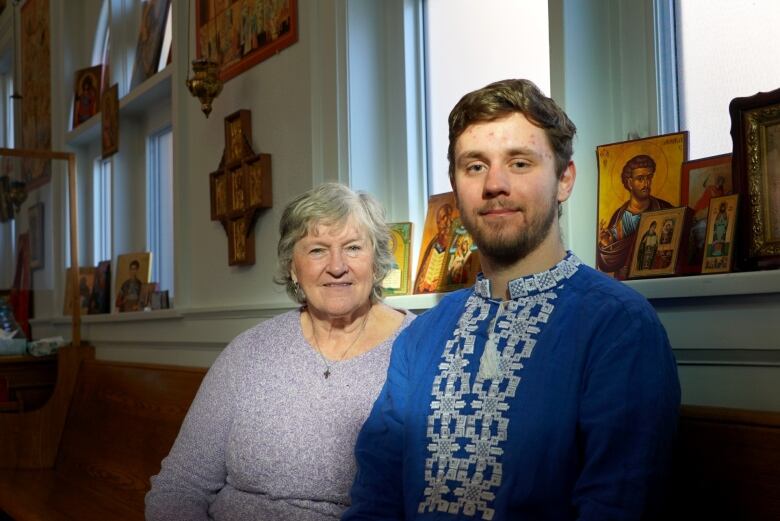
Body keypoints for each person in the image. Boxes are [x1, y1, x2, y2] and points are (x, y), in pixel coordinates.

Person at [344, 79, 680, 520]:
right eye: (474, 166)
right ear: (456, 186)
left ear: (564, 179)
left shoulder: (620, 328)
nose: (494, 185)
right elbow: (376, 497)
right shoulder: (420, 336)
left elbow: (618, 505)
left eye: (519, 163)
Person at [145, 183, 415, 520]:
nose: (336, 265)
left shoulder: (418, 349)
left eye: (353, 247)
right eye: (317, 250)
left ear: (376, 262)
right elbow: (182, 484)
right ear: (292, 267)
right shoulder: (249, 351)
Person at [597, 154, 674, 279]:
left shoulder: (664, 208)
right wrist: (606, 245)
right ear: (630, 182)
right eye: (640, 179)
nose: (646, 184)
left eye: (649, 178)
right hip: (625, 284)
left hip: (658, 281)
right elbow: (607, 263)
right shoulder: (619, 217)